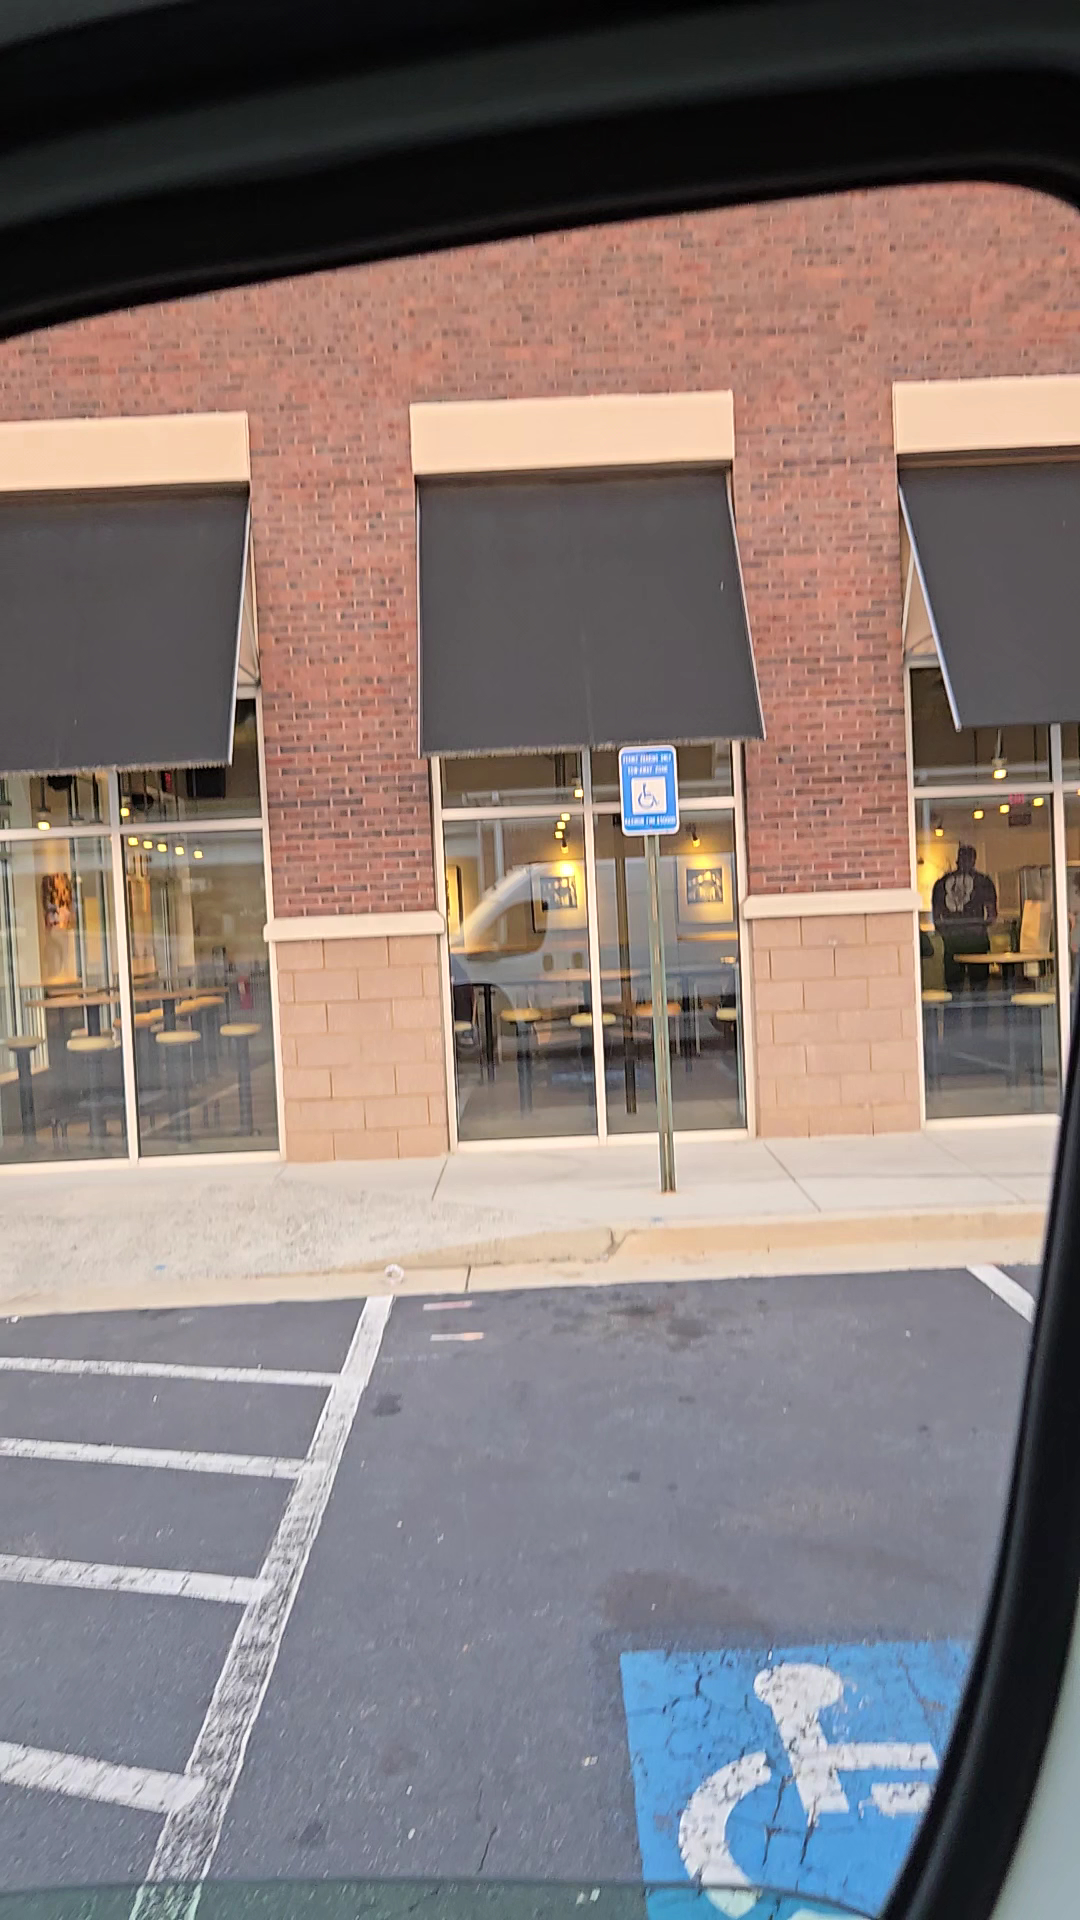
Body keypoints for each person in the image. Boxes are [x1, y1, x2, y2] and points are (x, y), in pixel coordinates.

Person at [932, 843, 998, 990]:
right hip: (976, 941)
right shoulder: (983, 881)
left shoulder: (941, 883)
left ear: (957, 860)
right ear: (974, 860)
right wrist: (978, 926)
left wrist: (948, 932)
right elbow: (992, 915)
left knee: (954, 990)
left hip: (953, 941)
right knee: (979, 990)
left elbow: (936, 918)